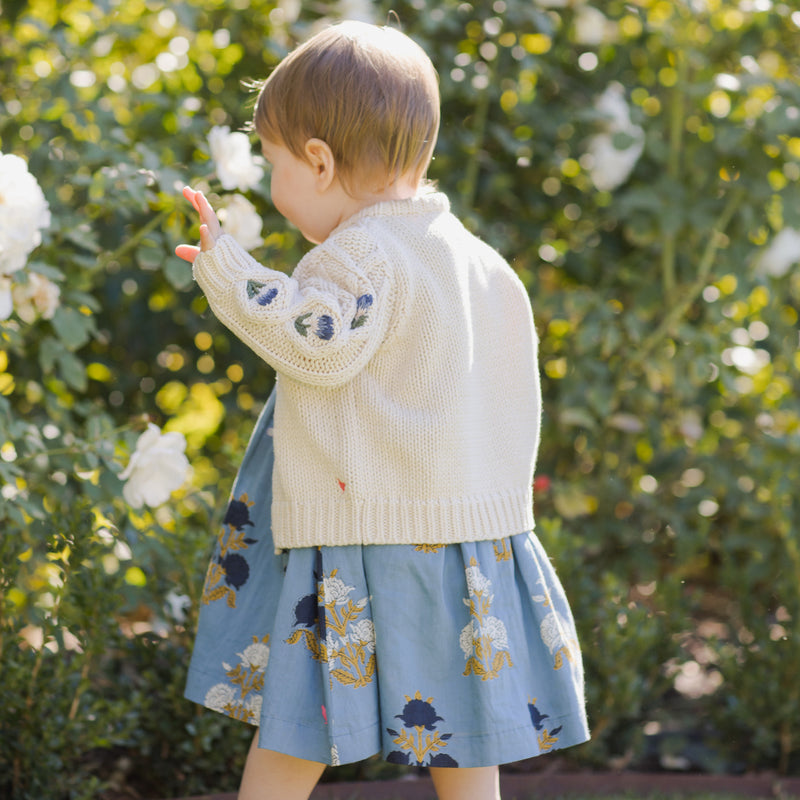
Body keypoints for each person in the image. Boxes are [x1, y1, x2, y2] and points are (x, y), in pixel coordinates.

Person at [176, 20, 589, 800]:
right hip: (465, 536)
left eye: (273, 163)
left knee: (299, 721)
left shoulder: (360, 253)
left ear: (320, 161)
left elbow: (316, 343)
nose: (272, 185)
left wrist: (232, 275)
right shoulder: (474, 256)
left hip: (365, 529)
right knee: (463, 724)